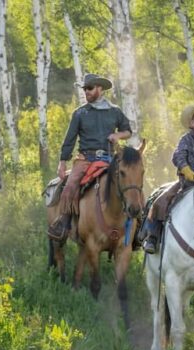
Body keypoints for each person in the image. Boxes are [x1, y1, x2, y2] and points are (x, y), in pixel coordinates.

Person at [47, 73, 132, 241]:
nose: (86, 92)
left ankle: (137, 226)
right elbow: (69, 139)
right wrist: (62, 162)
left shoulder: (115, 111)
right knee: (70, 186)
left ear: (100, 89)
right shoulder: (80, 113)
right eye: (85, 89)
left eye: (90, 88)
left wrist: (118, 136)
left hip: (110, 158)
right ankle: (64, 222)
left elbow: (128, 131)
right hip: (85, 159)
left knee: (130, 182)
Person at [142, 102, 194, 254]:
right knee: (161, 202)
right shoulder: (186, 139)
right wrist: (185, 168)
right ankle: (152, 237)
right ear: (192, 123)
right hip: (186, 183)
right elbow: (178, 155)